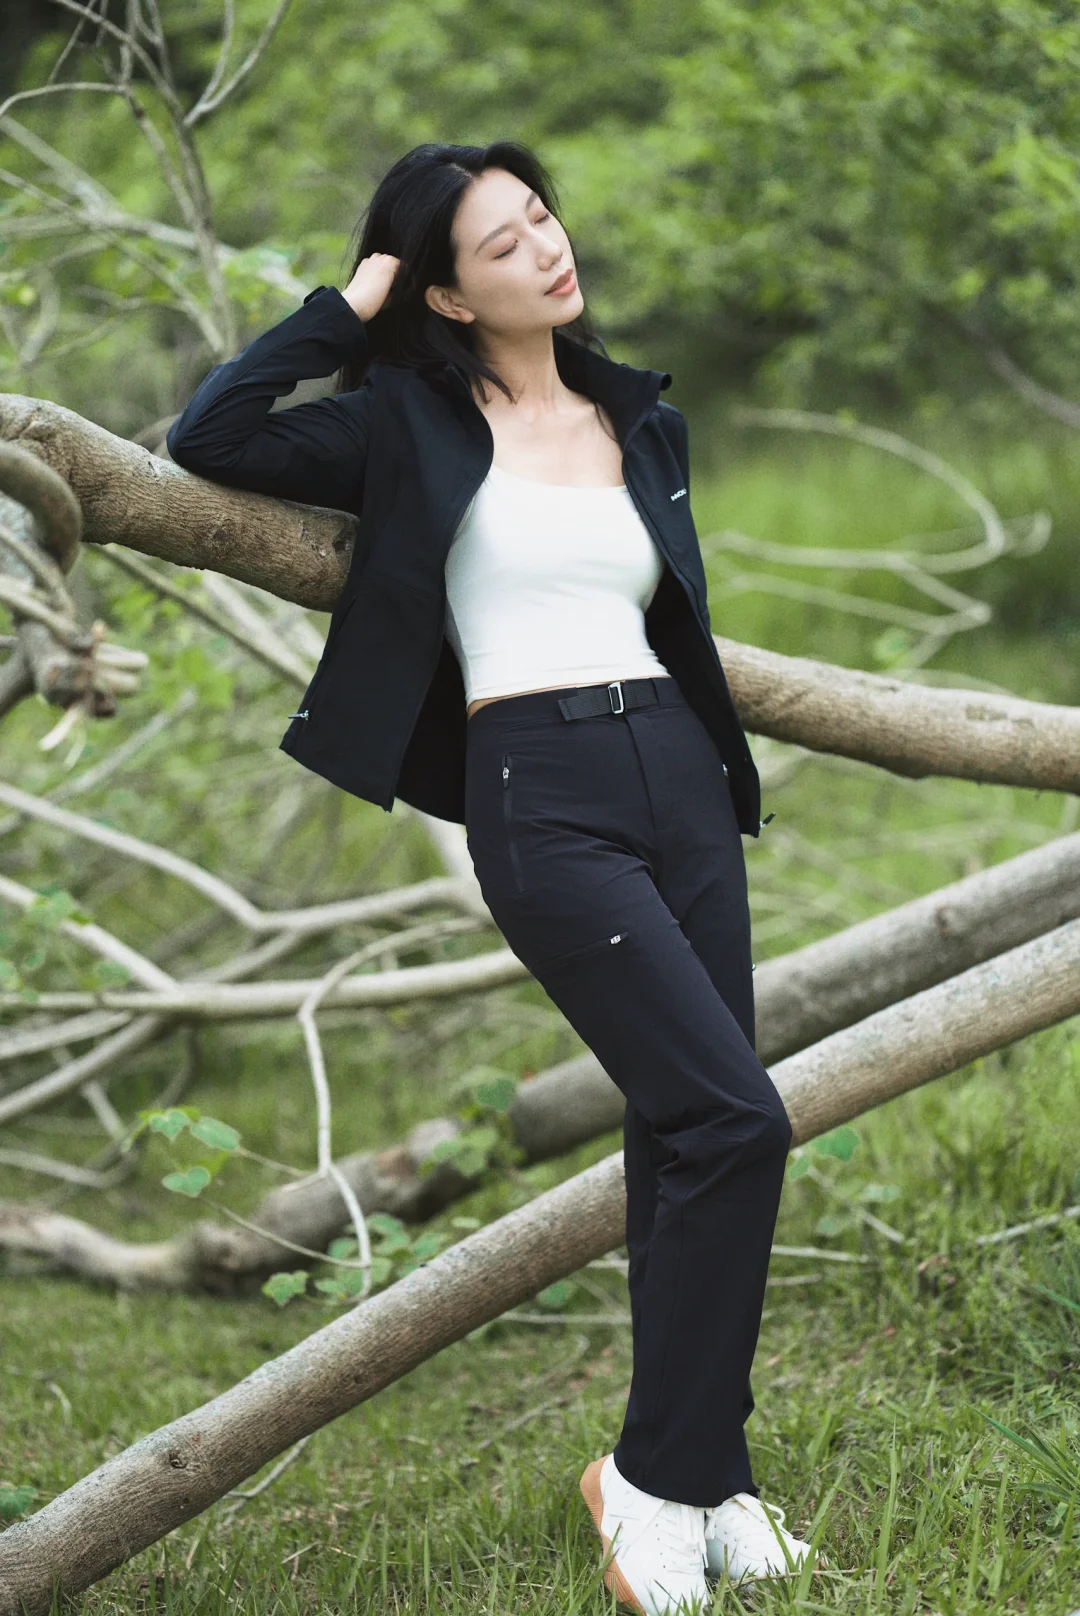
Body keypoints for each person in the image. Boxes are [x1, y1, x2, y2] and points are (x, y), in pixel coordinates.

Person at [166, 140, 827, 1615]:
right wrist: (353, 303)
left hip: (679, 778)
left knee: (684, 1133)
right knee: (740, 1121)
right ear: (451, 295)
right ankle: (650, 1479)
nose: (546, 246)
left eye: (542, 216)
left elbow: (666, 612)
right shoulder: (402, 420)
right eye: (501, 241)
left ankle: (710, 1479)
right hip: (543, 791)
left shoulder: (639, 418)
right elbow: (211, 435)